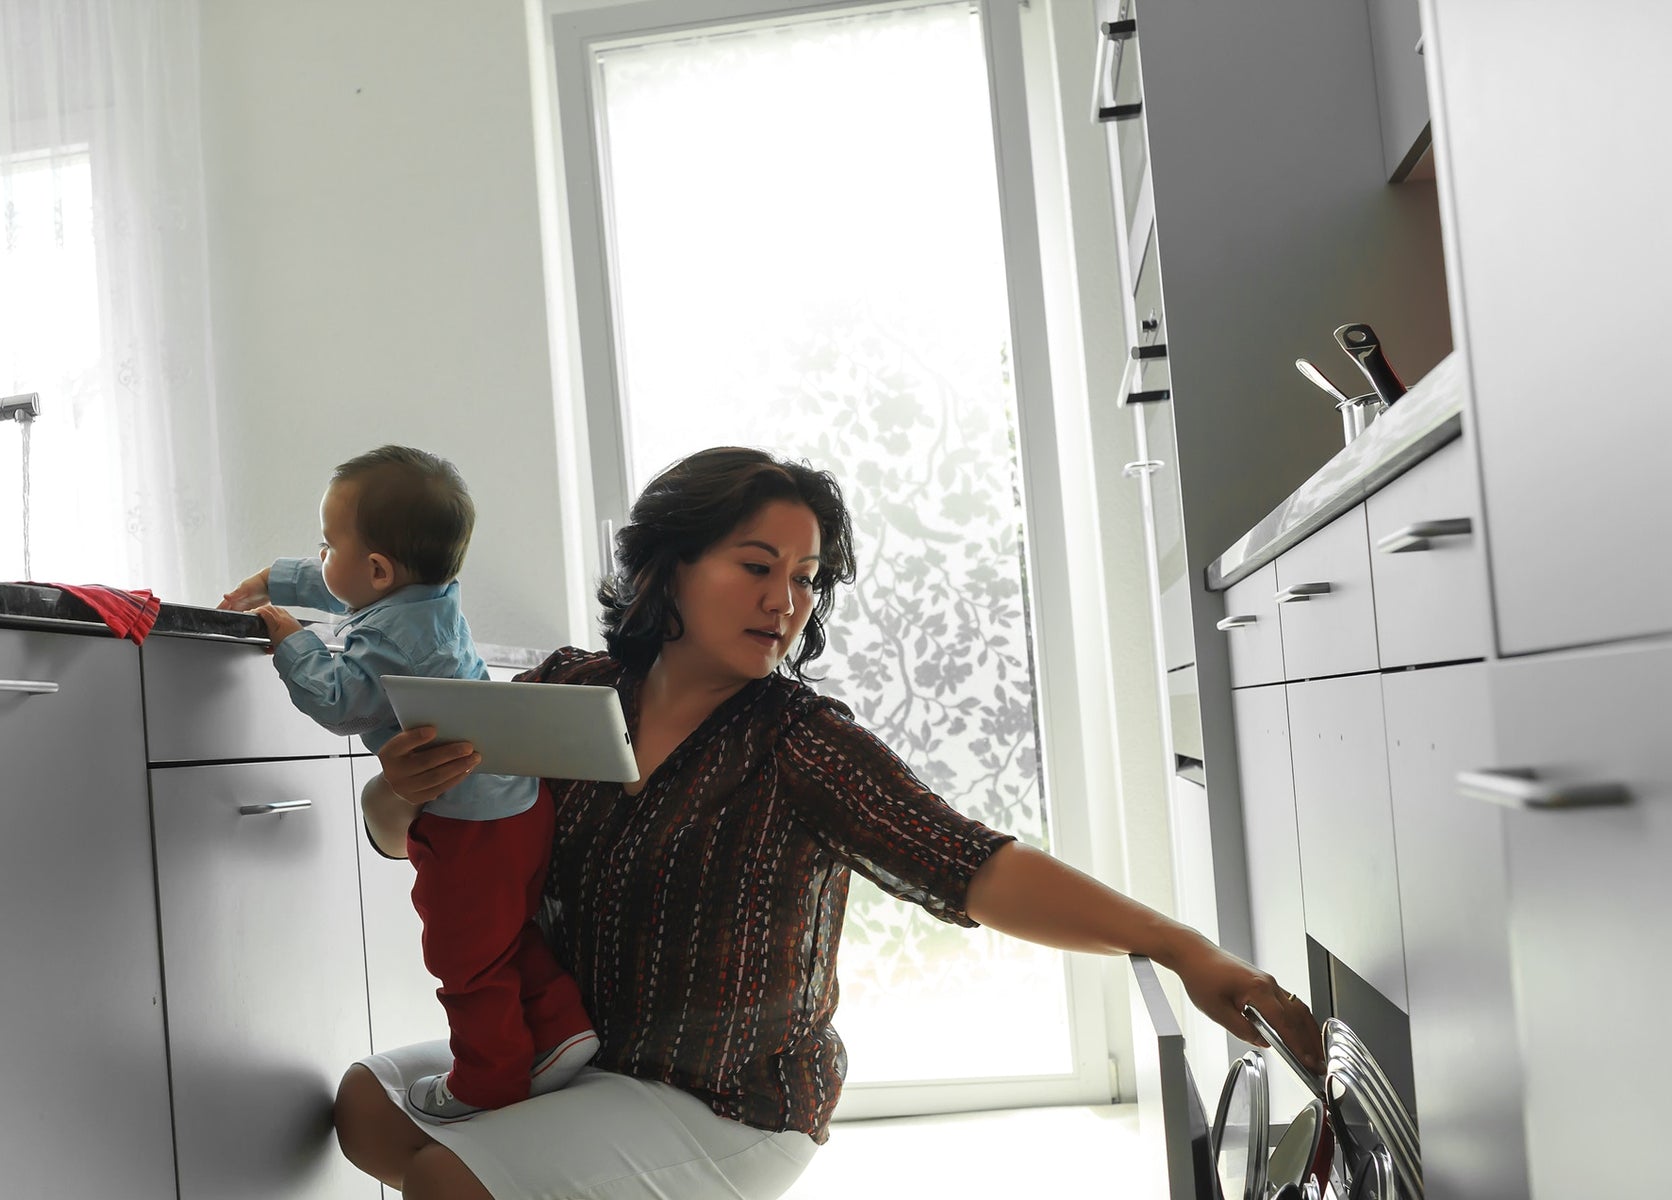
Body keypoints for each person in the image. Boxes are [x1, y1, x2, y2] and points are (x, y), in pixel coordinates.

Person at [329, 446, 1325, 1200]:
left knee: (443, 1184)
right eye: (756, 565)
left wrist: (1178, 945)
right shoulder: (566, 690)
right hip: (573, 1050)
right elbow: (400, 838)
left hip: (725, 1099)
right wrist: (399, 789)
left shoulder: (800, 742)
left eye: (805, 578)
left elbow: (971, 865)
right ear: (667, 570)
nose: (785, 601)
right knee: (364, 1108)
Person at [221, 444, 600, 1125]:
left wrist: (289, 641)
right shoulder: (425, 599)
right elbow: (346, 578)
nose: (322, 555)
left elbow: (339, 701)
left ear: (377, 568)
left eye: (325, 542)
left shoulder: (391, 633)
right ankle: (561, 1025)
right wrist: (275, 579)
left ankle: (490, 1079)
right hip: (518, 805)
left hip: (467, 823)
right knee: (504, 933)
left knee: (462, 953)